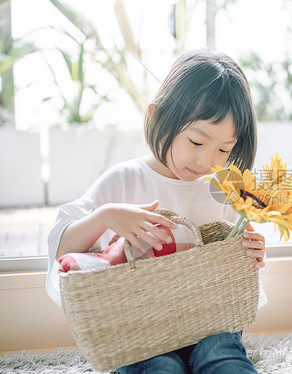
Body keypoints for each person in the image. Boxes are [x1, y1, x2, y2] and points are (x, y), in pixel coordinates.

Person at [46, 49, 267, 374]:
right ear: (157, 117)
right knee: (159, 366)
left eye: (224, 149)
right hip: (140, 325)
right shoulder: (124, 180)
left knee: (224, 357)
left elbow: (234, 271)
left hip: (210, 320)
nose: (207, 162)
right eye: (196, 142)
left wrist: (253, 253)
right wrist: (106, 217)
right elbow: (61, 251)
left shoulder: (222, 190)